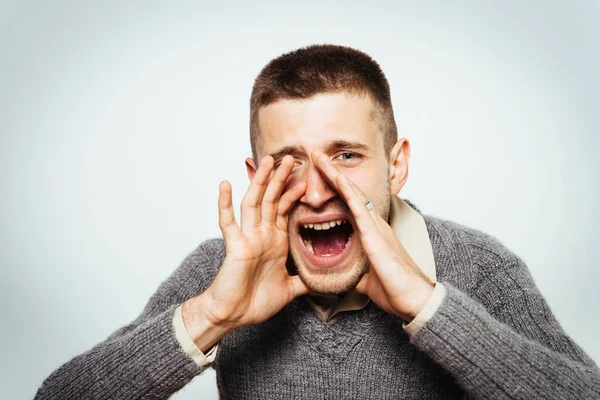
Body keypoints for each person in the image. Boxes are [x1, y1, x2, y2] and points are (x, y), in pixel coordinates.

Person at [35, 44, 600, 400]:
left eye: (346, 155)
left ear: (396, 165)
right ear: (258, 175)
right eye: (289, 162)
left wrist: (428, 309)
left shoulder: (482, 268)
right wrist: (213, 315)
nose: (315, 190)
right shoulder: (219, 270)